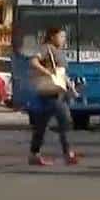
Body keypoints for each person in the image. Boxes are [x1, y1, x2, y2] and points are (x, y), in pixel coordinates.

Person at [28, 27, 79, 166]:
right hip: (50, 94)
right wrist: (47, 73)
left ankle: (34, 154)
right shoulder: (46, 48)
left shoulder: (59, 52)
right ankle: (68, 153)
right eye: (61, 36)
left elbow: (61, 74)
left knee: (41, 126)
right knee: (65, 121)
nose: (63, 39)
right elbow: (33, 62)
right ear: (52, 37)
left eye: (64, 37)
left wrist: (71, 87)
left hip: (57, 92)